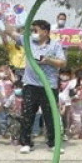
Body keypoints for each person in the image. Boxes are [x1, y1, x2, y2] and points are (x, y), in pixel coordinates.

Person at [19, 20, 66, 154]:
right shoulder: (28, 41)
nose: (33, 33)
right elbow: (11, 33)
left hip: (49, 85)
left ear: (45, 32)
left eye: (36, 30)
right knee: (27, 114)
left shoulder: (55, 45)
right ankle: (26, 143)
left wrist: (49, 60)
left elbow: (63, 63)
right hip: (30, 84)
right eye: (32, 30)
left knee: (50, 115)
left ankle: (52, 143)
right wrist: (5, 19)